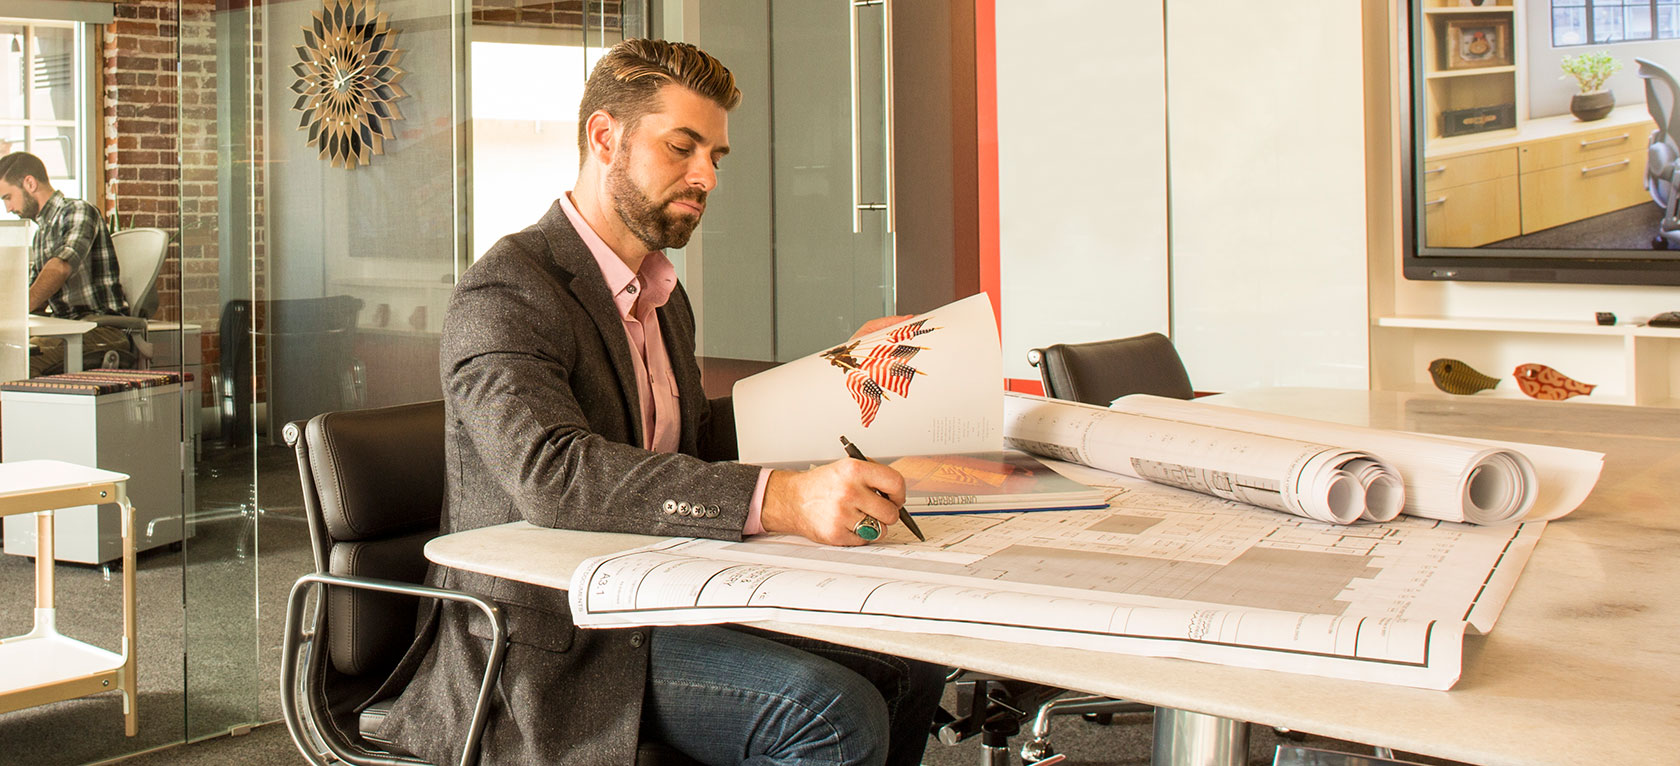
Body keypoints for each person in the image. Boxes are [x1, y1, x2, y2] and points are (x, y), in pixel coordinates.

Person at [378, 39, 947, 766]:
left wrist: (840, 377)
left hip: (659, 591)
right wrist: (781, 502)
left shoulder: (659, 295)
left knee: (909, 661)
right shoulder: (507, 293)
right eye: (683, 147)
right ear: (605, 137)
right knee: (830, 715)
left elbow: (695, 444)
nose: (706, 175)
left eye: (716, 156)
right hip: (548, 640)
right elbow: (555, 475)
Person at [0, 151, 130, 376]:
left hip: (101, 330)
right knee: (8, 353)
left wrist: (16, 310)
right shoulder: (41, 233)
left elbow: (59, 268)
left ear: (29, 183)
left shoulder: (78, 211)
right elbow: (35, 298)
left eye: (7, 197)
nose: (8, 208)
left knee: (16, 365)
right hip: (68, 328)